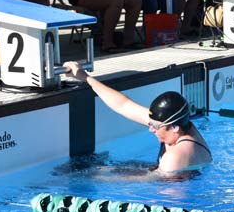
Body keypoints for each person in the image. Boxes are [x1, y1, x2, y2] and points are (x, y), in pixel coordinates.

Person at [63, 61, 212, 173]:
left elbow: (164, 196)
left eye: (155, 126)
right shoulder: (180, 125)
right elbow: (123, 105)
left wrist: (97, 177)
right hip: (161, 172)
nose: (150, 129)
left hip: (176, 186)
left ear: (175, 128)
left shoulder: (175, 158)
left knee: (88, 174)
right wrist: (84, 76)